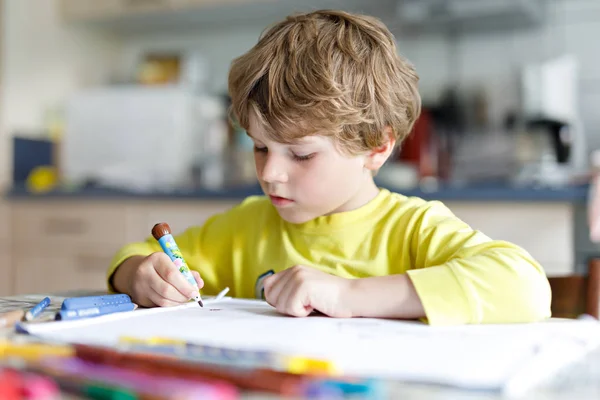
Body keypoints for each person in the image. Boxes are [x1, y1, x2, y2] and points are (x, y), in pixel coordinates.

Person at [107, 9, 551, 326]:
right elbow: (131, 258)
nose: (270, 173)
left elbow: (525, 288)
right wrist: (140, 276)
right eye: (260, 147)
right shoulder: (245, 228)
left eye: (301, 154)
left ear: (376, 148)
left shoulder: (413, 228)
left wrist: (349, 294)